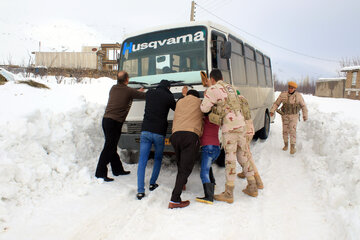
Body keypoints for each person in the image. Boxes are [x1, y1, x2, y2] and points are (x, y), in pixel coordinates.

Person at [200, 69, 257, 204]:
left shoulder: (213, 89)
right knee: (243, 155)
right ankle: (252, 186)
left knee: (230, 158)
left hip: (229, 127)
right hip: (241, 125)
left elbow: (204, 108)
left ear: (212, 79)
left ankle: (228, 193)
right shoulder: (230, 87)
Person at [95, 71, 145, 182]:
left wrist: (135, 92)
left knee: (111, 146)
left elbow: (126, 93)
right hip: (114, 122)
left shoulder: (113, 88)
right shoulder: (128, 91)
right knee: (109, 148)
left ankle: (117, 170)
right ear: (127, 80)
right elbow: (143, 95)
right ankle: (100, 173)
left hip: (106, 121)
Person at [136, 80, 176, 200]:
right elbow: (177, 108)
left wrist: (140, 90)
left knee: (142, 160)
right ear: (168, 87)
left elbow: (141, 94)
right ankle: (152, 183)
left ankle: (140, 190)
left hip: (146, 131)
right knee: (158, 158)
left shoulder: (150, 93)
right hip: (159, 133)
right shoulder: (169, 97)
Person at [168, 88, 203, 209]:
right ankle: (175, 200)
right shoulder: (199, 102)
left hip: (175, 135)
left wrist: (184, 95)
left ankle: (182, 183)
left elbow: (185, 98)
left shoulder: (180, 102)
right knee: (185, 168)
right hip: (190, 135)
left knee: (180, 162)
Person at [196, 79, 221, 205]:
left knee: (203, 172)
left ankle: (208, 196)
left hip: (208, 147)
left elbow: (203, 108)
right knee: (208, 165)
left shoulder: (204, 118)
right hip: (217, 147)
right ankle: (213, 185)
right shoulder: (216, 118)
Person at [270, 81, 308, 154]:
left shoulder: (298, 96)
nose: (290, 89)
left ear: (295, 89)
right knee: (285, 131)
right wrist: (272, 111)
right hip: (285, 116)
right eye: (289, 87)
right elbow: (276, 103)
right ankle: (286, 145)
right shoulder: (283, 95)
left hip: (294, 116)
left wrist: (305, 115)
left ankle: (292, 147)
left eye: (292, 88)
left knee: (292, 131)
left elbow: (303, 106)